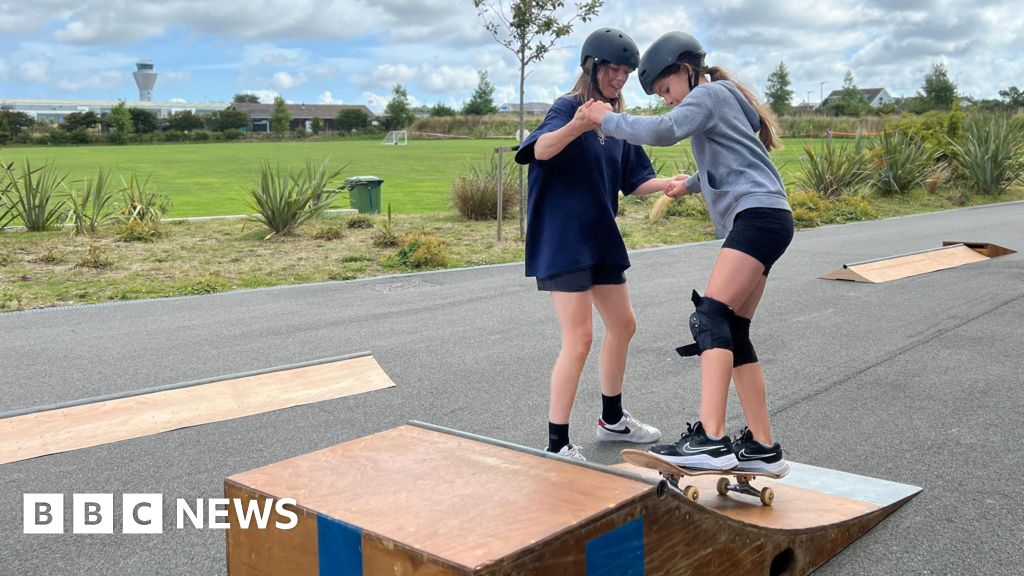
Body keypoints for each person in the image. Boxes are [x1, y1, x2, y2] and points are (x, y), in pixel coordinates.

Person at [581, 31, 793, 475]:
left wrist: (607, 119)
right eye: (662, 96)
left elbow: (664, 131)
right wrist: (689, 184)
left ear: (685, 70)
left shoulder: (708, 94)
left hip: (757, 217)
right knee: (733, 330)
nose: (668, 100)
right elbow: (730, 161)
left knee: (709, 318)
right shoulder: (726, 98)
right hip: (770, 216)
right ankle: (763, 447)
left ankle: (711, 440)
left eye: (666, 89)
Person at [515, 28, 682, 461]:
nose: (620, 78)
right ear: (591, 66)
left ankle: (611, 420)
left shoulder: (616, 121)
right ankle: (557, 443)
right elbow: (539, 151)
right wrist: (579, 124)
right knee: (580, 339)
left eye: (626, 72)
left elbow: (635, 180)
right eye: (613, 69)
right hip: (563, 238)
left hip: (600, 236)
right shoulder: (567, 107)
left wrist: (671, 183)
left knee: (623, 325)